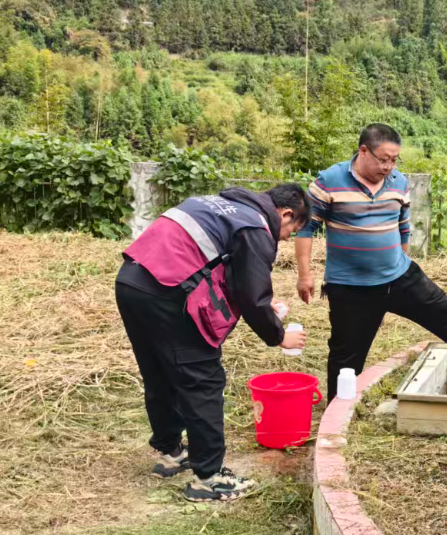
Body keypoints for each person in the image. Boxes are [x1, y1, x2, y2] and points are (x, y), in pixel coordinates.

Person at [116, 184, 311, 501]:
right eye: (292, 230)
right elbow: (251, 295)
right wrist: (279, 335)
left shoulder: (219, 204)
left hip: (132, 281)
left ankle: (170, 453)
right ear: (286, 213)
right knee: (203, 379)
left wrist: (262, 307)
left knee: (160, 372)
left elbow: (221, 272)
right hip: (168, 294)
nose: (286, 238)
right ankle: (208, 478)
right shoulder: (256, 226)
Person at [295, 123, 447, 399]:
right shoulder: (329, 180)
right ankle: (335, 414)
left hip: (400, 277)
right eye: (383, 159)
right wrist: (305, 275)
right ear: (364, 151)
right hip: (351, 288)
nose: (388, 166)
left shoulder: (398, 181)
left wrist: (404, 260)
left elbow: (403, 226)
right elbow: (306, 228)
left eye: (394, 159)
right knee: (345, 356)